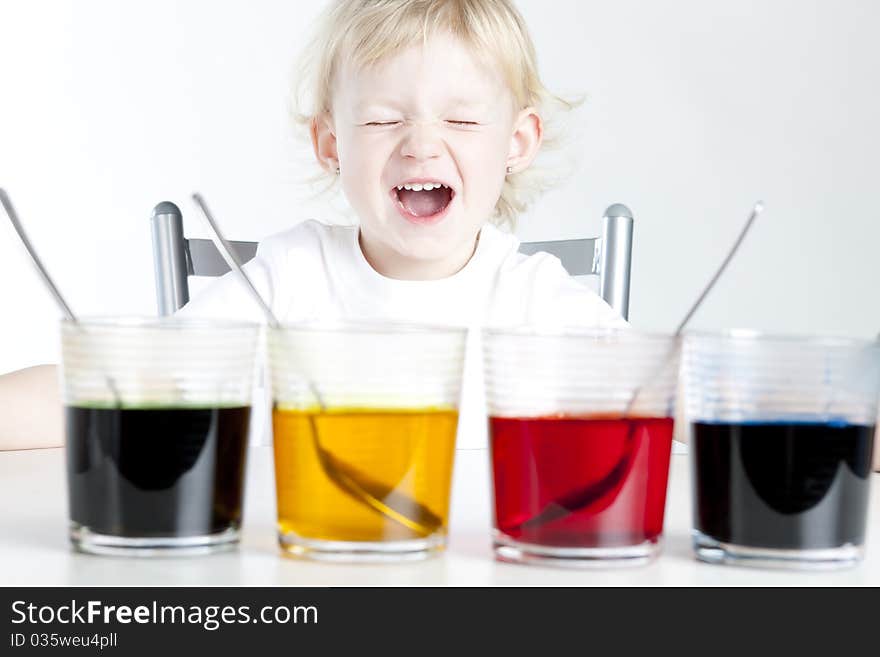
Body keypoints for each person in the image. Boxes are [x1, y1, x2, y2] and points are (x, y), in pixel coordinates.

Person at [0, 0, 628, 452]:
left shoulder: (540, 301)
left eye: (461, 122)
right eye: (383, 120)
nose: (421, 146)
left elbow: (666, 395)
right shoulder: (288, 279)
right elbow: (123, 380)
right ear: (332, 143)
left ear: (517, 143)